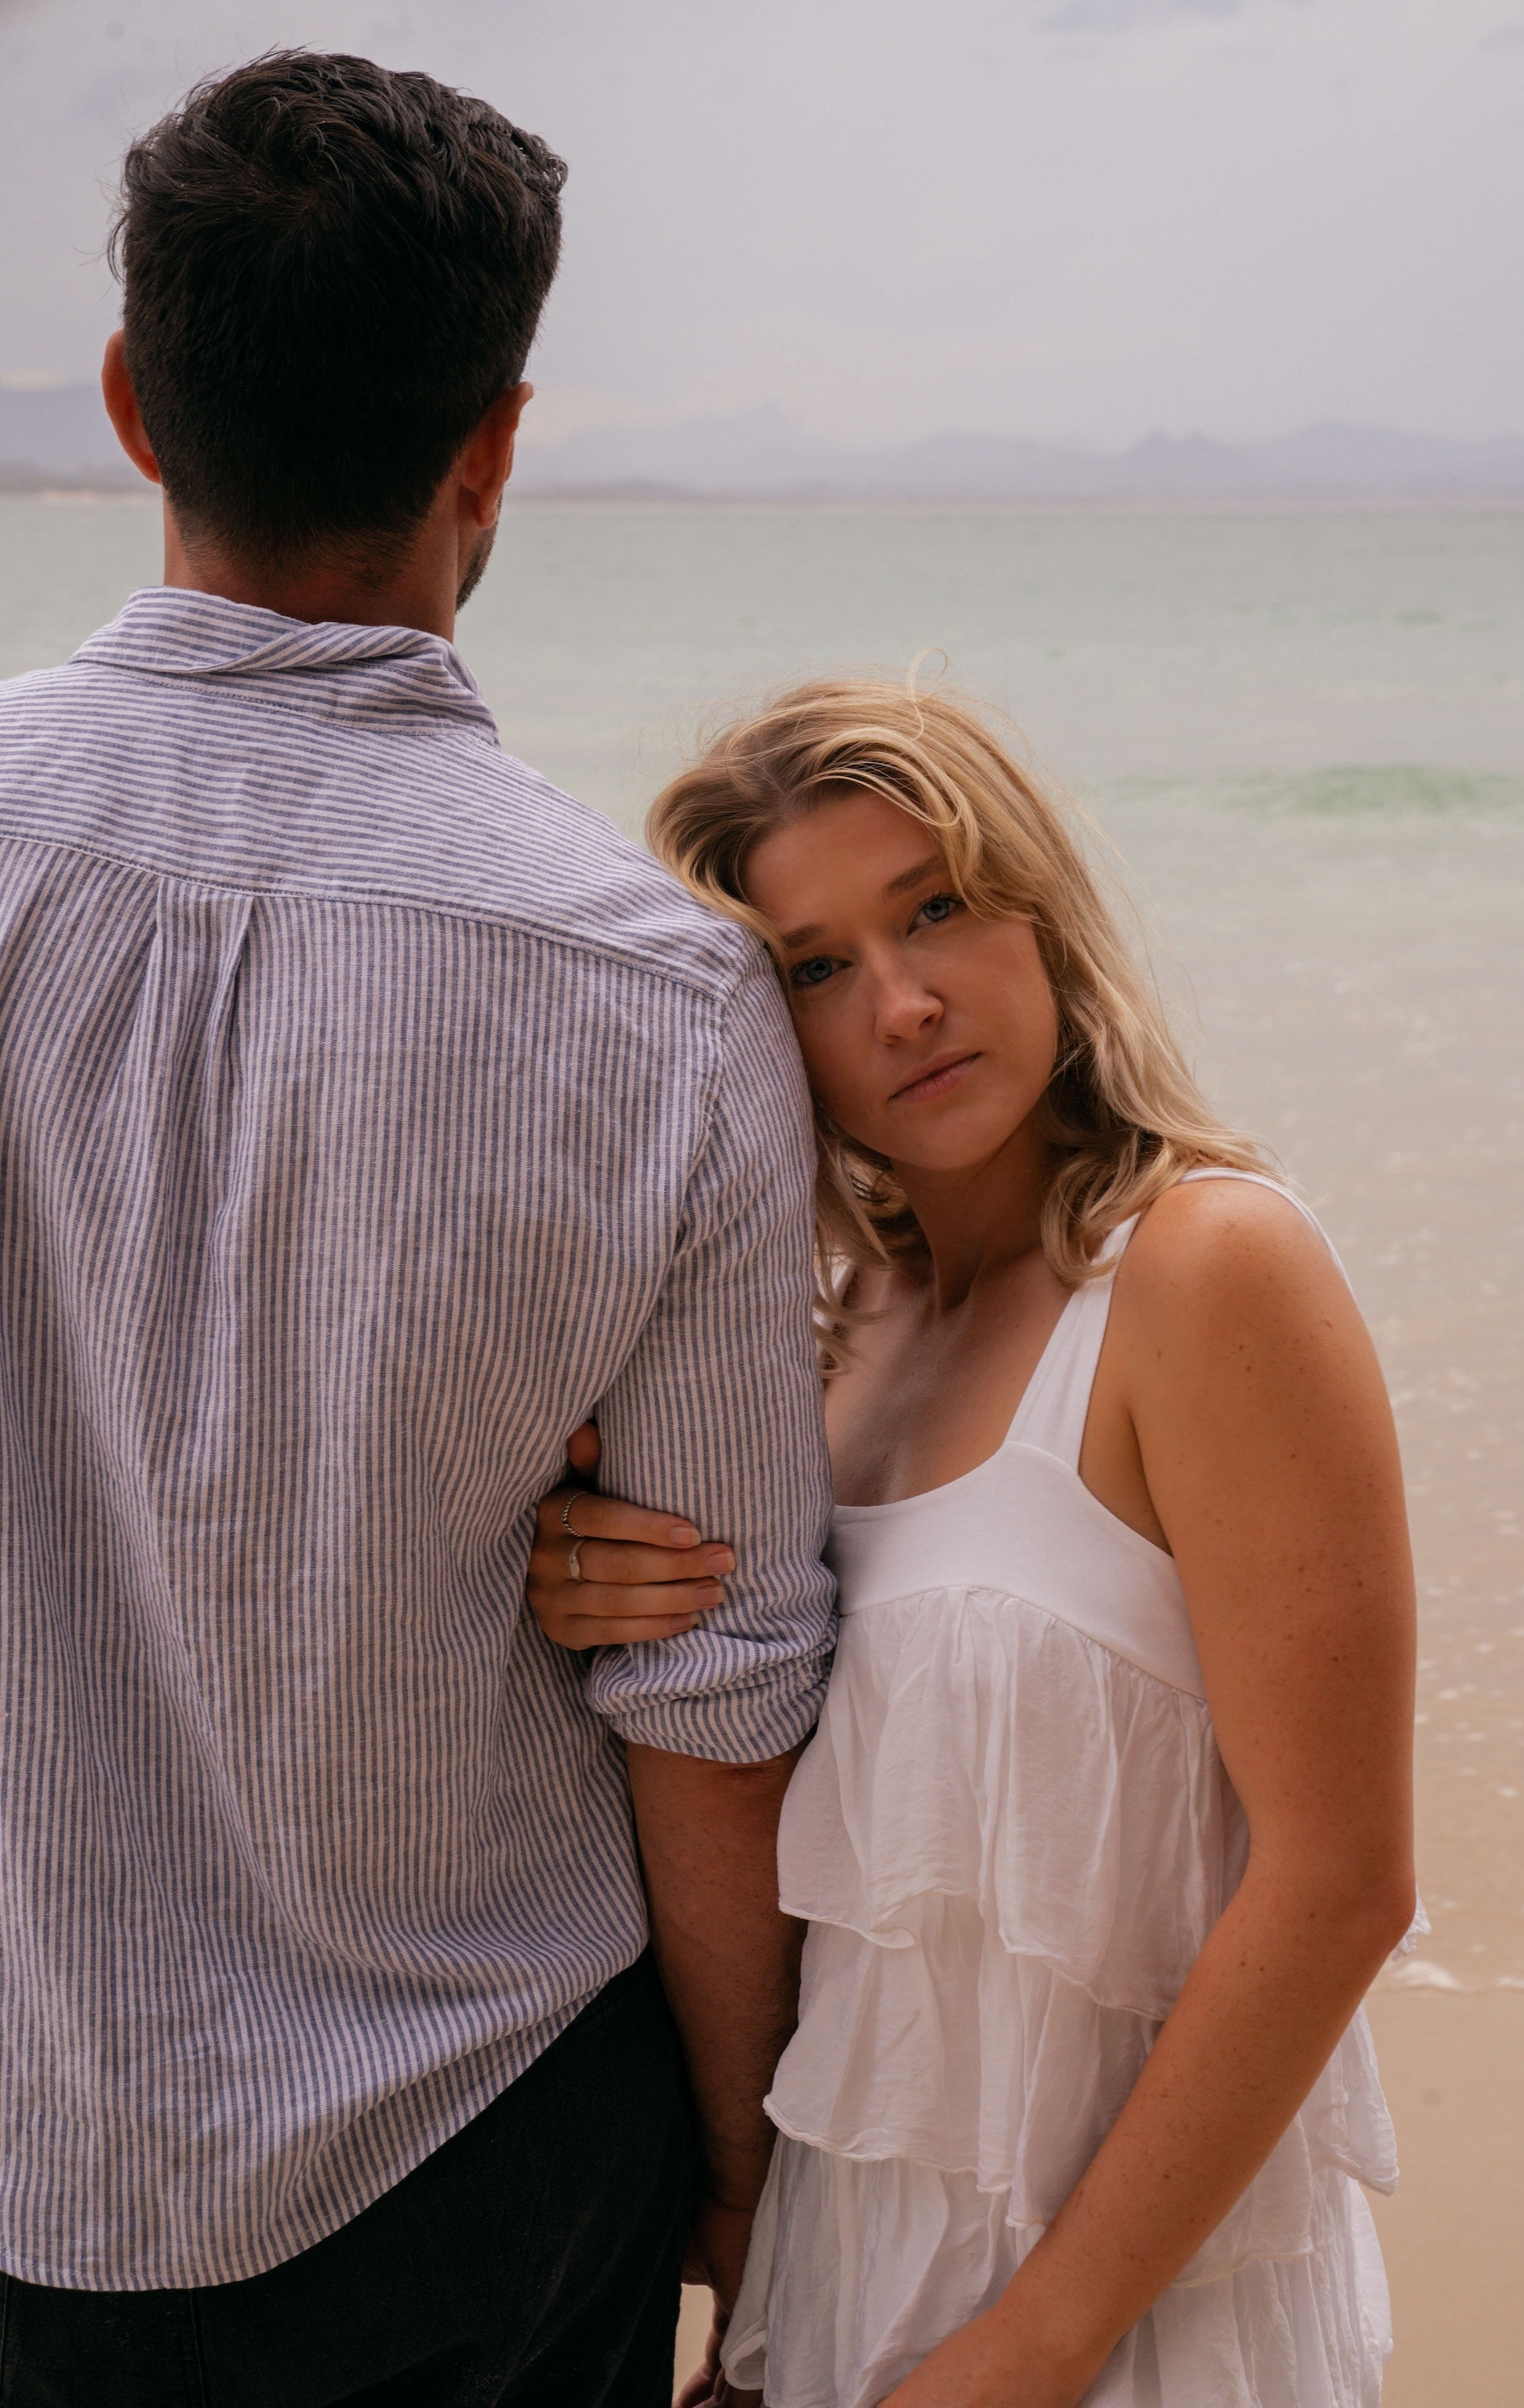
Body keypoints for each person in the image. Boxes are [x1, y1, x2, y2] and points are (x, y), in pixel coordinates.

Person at [0, 52, 834, 2408]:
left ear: (136, 403)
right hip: (472, 2154)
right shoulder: (653, 986)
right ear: (494, 441)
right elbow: (712, 1658)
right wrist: (751, 2155)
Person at [528, 680, 1422, 2408]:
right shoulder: (822, 1341)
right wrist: (569, 1576)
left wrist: (1033, 2348)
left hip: (1120, 2305)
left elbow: (1339, 1878)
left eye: (935, 908)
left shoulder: (1202, 1270)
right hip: (841, 2275)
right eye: (815, 964)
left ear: (1042, 908)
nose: (904, 1001)